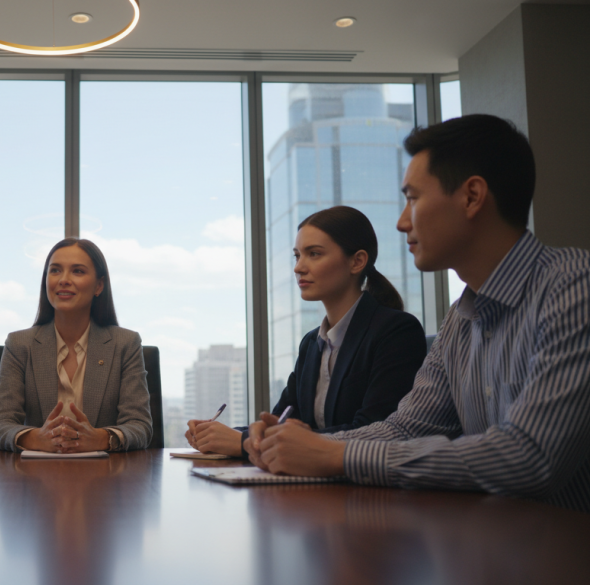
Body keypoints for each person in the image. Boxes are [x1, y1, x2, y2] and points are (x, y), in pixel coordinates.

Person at [246, 114, 590, 512]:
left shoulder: (573, 287)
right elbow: (407, 428)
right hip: (495, 549)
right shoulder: (460, 318)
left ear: (472, 196)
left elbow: (529, 457)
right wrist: (299, 445)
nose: (401, 221)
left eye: (413, 198)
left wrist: (332, 455)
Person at [185, 206, 426, 456]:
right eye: (297, 255)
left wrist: (244, 442)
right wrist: (218, 434)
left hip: (368, 488)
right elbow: (280, 423)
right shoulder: (312, 343)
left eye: (314, 254)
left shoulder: (396, 332)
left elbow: (373, 431)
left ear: (357, 261)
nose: (298, 267)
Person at [0, 238, 153, 452]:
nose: (63, 280)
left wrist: (102, 439)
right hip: (35, 478)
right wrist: (35, 439)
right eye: (55, 271)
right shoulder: (20, 345)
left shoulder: (125, 344)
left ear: (99, 285)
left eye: (78, 271)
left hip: (106, 478)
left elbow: (140, 426)